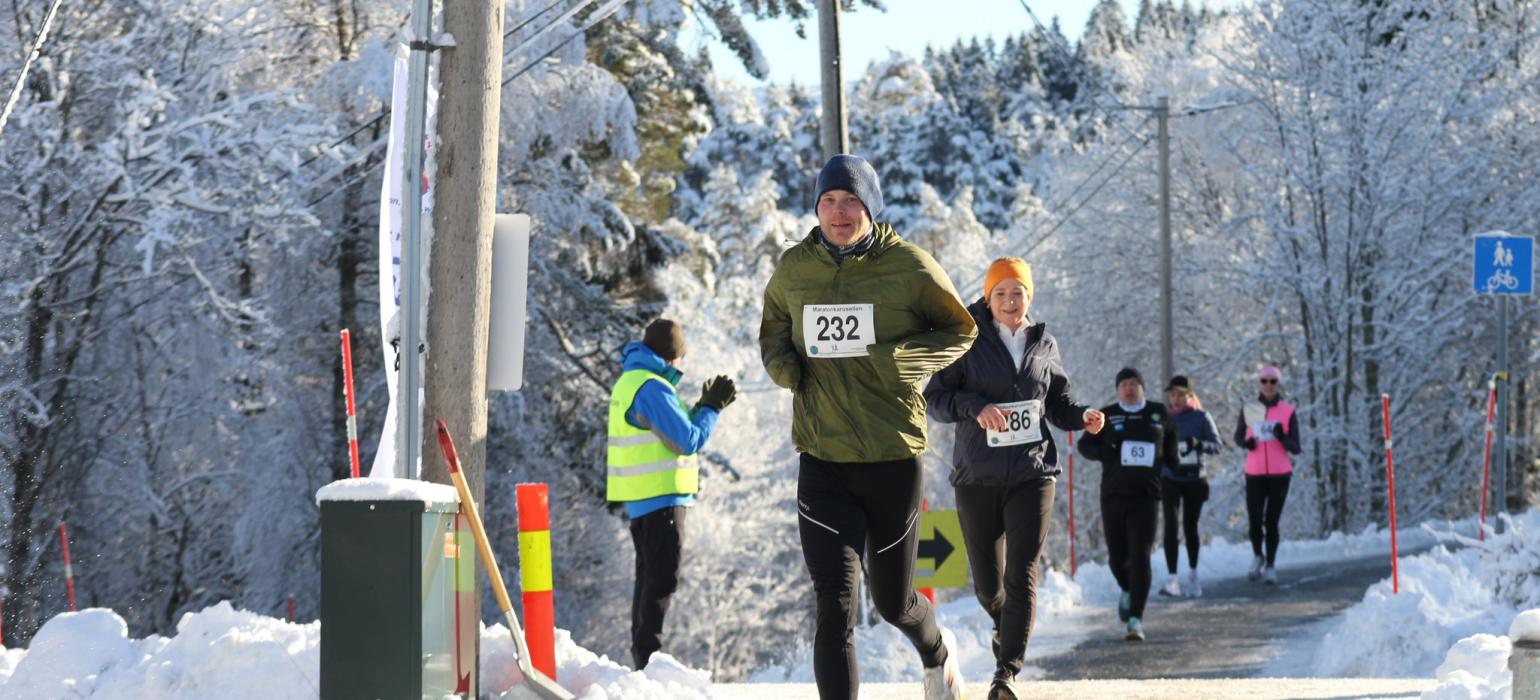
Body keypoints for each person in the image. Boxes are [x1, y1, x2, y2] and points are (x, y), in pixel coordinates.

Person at [760, 154, 977, 700]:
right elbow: (774, 332)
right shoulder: (794, 268)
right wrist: (788, 369)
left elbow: (962, 330)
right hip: (823, 459)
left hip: (891, 459)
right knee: (833, 607)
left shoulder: (908, 266)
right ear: (816, 206)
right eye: (829, 201)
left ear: (870, 207)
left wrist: (905, 359)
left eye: (851, 201)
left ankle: (937, 655)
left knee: (893, 602)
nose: (839, 212)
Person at [924, 257, 1104, 700]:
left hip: (1033, 473)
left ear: (1030, 296)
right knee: (989, 586)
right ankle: (1002, 627)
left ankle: (1006, 674)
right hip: (977, 477)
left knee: (1022, 573)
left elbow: (1057, 402)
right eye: (1001, 292)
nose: (1010, 300)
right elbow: (935, 399)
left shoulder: (1044, 343)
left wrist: (1081, 416)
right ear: (988, 297)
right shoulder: (965, 339)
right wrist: (975, 407)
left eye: (1018, 292)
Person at [605, 319, 737, 670]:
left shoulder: (633, 382)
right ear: (671, 355)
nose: (681, 365)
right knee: (661, 580)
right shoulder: (652, 387)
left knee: (649, 580)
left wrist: (697, 409)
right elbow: (686, 440)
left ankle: (642, 659)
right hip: (662, 500)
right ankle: (648, 664)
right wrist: (711, 408)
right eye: (680, 357)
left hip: (643, 500)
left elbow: (669, 432)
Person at [1076, 368, 1178, 641]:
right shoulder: (1107, 415)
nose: (1129, 388)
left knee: (1140, 555)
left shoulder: (1158, 413)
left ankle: (1136, 618)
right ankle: (1127, 588)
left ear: (1142, 387)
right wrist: (1105, 452)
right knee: (1117, 557)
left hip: (1147, 496)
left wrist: (1174, 469)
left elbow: (1170, 449)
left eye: (1134, 383)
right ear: (1118, 389)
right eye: (1124, 384)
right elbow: (1084, 446)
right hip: (1113, 495)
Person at [1235, 365, 1301, 585]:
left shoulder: (1287, 411)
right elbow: (1237, 438)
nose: (1269, 385)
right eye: (1265, 381)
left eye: (1273, 381)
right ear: (1259, 383)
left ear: (1278, 384)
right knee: (1254, 521)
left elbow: (1296, 447)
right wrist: (1247, 442)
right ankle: (1257, 556)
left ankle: (1271, 565)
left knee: (1271, 521)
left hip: (1280, 474)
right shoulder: (1249, 409)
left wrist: (1282, 438)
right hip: (1254, 473)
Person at [1156, 376, 1221, 599]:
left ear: (1189, 396)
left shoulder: (1201, 417)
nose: (1175, 399)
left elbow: (1217, 445)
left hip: (1194, 479)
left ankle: (1193, 575)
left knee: (1190, 527)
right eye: (1172, 394)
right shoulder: (1164, 418)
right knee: (1171, 527)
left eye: (1180, 394)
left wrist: (1199, 443)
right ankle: (1172, 578)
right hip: (1170, 479)